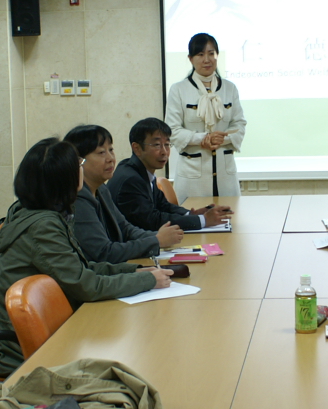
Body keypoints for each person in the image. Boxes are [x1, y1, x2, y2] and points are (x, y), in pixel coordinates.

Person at [0, 138, 173, 375]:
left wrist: (134, 271)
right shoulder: (43, 226)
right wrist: (147, 281)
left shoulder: (44, 212)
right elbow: (87, 286)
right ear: (62, 178)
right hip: (27, 353)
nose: (81, 167)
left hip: (51, 332)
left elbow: (81, 267)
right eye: (78, 163)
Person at [66, 123, 184, 262]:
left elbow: (125, 229)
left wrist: (158, 237)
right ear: (78, 161)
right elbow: (104, 253)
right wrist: (156, 241)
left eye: (111, 150)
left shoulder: (101, 189)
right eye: (101, 152)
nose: (110, 158)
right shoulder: (77, 199)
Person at [108, 117, 233, 232]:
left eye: (167, 145)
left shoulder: (140, 170)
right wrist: (203, 220)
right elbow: (152, 221)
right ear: (137, 148)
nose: (164, 152)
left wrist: (192, 214)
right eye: (156, 145)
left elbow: (163, 206)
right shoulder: (130, 179)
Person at [165, 32, 247, 201]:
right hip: (192, 178)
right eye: (200, 54)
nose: (207, 59)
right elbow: (172, 130)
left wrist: (220, 140)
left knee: (231, 221)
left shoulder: (230, 88)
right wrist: (204, 138)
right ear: (190, 58)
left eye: (211, 53)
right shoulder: (178, 89)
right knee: (193, 222)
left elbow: (239, 124)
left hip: (225, 176)